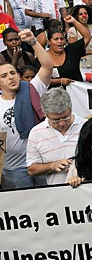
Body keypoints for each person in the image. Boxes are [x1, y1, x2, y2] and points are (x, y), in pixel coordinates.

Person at [0, 29, 53, 189]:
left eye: (13, 73)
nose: (11, 77)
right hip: (13, 170)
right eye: (4, 76)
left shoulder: (32, 89)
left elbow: (48, 66)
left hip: (41, 162)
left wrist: (33, 42)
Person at [26, 88, 86, 185]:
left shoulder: (86, 126)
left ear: (70, 108)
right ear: (45, 114)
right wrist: (52, 166)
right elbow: (31, 170)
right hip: (56, 193)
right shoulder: (36, 133)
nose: (62, 123)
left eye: (66, 117)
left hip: (89, 190)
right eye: (56, 120)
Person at [41, 15, 91, 88]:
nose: (60, 41)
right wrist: (59, 81)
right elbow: (38, 80)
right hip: (54, 96)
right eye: (56, 39)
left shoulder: (72, 50)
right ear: (49, 42)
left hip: (77, 95)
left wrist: (74, 21)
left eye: (62, 39)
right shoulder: (43, 57)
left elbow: (87, 36)